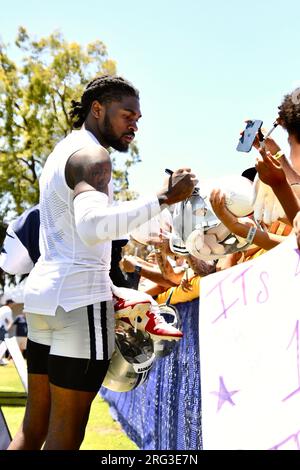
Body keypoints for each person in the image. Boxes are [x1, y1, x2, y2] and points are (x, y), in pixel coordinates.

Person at [8, 75, 197, 450]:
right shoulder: (94, 155)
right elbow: (92, 227)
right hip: (79, 303)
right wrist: (163, 198)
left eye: (138, 118)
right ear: (98, 109)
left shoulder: (61, 152)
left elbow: (67, 239)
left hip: (45, 299)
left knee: (34, 428)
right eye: (127, 115)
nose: (135, 125)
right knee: (66, 432)